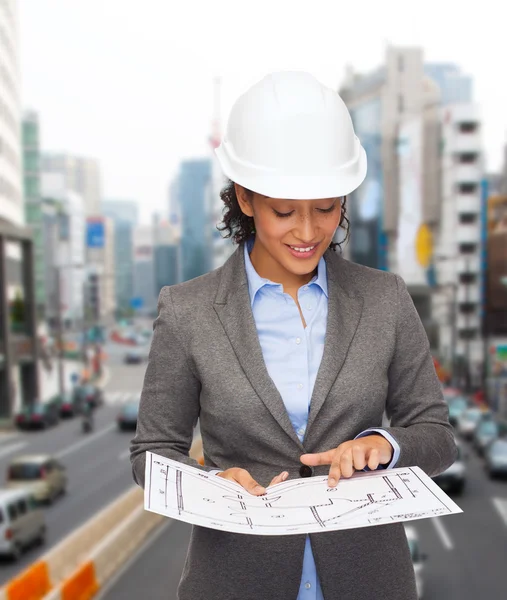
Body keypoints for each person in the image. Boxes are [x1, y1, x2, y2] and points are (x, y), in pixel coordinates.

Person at [130, 71, 457, 600]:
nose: (307, 233)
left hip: (369, 582)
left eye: (326, 208)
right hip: (234, 581)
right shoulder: (188, 311)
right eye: (284, 211)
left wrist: (383, 444)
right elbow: (152, 452)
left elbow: (435, 433)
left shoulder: (386, 299)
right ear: (245, 197)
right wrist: (209, 485)